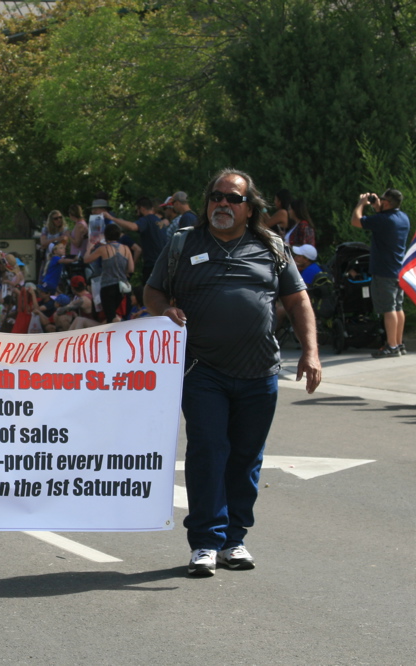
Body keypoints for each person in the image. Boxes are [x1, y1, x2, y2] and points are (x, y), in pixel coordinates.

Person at [144, 168, 321, 577]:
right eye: (216, 196)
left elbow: (298, 302)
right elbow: (153, 291)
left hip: (260, 373)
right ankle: (206, 542)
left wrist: (310, 353)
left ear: (249, 208)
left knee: (245, 459)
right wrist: (163, 309)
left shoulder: (271, 246)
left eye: (233, 198)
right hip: (202, 370)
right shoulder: (182, 245)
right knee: (208, 451)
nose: (223, 204)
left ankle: (234, 540)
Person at [352, 188, 410, 357]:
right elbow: (382, 222)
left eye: (382, 199)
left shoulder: (384, 220)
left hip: (383, 270)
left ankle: (391, 346)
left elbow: (356, 221)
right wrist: (378, 209)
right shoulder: (403, 218)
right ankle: (398, 344)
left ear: (387, 202)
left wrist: (361, 203)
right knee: (398, 307)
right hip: (398, 269)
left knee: (388, 308)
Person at [109, 197, 168, 283]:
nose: (137, 214)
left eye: (137, 210)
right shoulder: (158, 221)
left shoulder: (147, 220)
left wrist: (112, 219)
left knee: (149, 292)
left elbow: (132, 227)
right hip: (163, 263)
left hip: (152, 265)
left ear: (142, 209)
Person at [83, 224, 134, 323]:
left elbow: (86, 260)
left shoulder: (103, 249)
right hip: (123, 287)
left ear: (106, 236)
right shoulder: (126, 249)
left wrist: (89, 248)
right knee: (123, 316)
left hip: (108, 286)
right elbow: (131, 269)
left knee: (111, 317)